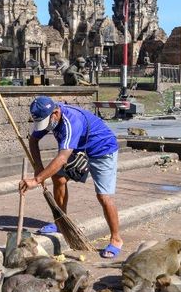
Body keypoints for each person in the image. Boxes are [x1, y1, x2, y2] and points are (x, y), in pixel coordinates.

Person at [19, 96, 123, 258]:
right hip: (79, 149)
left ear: (55, 113)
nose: (45, 127)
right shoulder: (48, 116)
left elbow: (62, 159)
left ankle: (116, 239)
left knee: (104, 196)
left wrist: (37, 180)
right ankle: (61, 222)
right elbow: (33, 140)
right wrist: (38, 167)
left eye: (46, 123)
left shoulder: (70, 122)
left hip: (103, 150)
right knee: (58, 179)